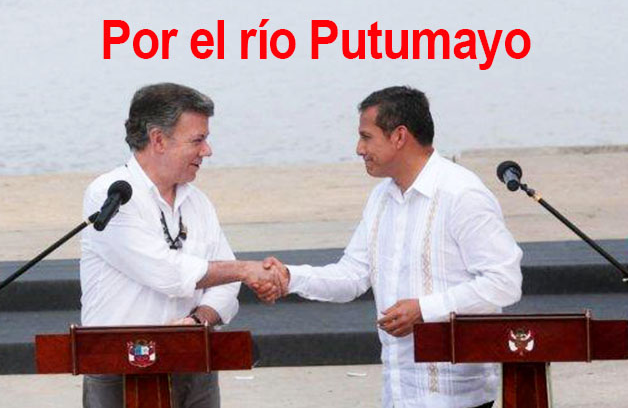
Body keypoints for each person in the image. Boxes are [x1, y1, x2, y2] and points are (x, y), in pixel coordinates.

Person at [265, 86, 523, 408]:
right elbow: (353, 275)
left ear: (399, 136)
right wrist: (289, 277)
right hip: (399, 392)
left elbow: (504, 282)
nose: (359, 149)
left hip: (455, 396)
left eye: (366, 137)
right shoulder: (381, 198)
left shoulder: (462, 194)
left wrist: (425, 310)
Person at [80, 82, 283, 408]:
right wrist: (245, 269)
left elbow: (226, 286)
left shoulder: (198, 202)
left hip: (194, 363)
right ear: (158, 139)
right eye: (197, 140)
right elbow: (167, 273)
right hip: (119, 366)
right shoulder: (109, 195)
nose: (208, 150)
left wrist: (198, 321)